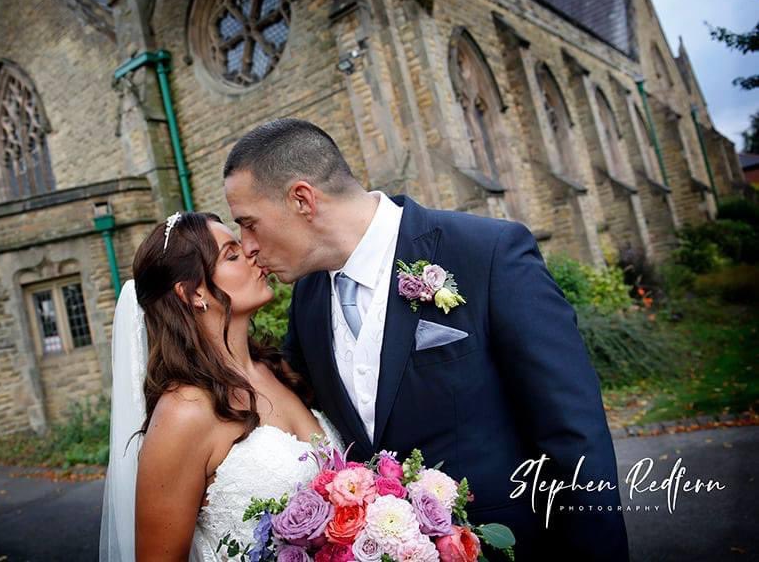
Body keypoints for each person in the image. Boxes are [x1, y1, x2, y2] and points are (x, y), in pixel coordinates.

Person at [222, 118, 630, 560]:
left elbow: (573, 436)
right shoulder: (308, 298)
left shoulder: (486, 254)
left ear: (302, 198)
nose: (247, 246)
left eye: (249, 224)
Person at [99, 211, 342, 562]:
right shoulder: (185, 412)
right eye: (231, 255)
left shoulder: (280, 370)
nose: (251, 254)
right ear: (192, 293)